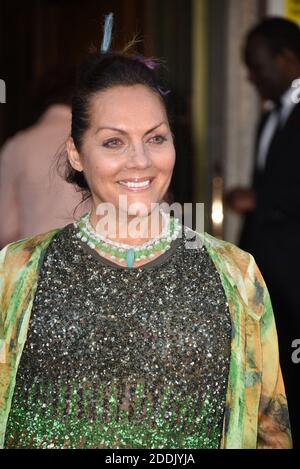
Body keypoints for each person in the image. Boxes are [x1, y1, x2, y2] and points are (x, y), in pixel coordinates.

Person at [0, 15, 292, 449]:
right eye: (113, 142)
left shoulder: (236, 273)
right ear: (76, 154)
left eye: (156, 138)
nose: (140, 161)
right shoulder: (17, 270)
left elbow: (270, 428)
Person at [226, 17, 300, 447]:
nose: (250, 76)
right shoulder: (270, 119)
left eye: (256, 65)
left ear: (287, 58)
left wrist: (264, 200)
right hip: (272, 280)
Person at [0, 66, 88, 248]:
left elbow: (6, 229)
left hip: (34, 265)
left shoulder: (17, 146)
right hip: (94, 262)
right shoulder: (97, 140)